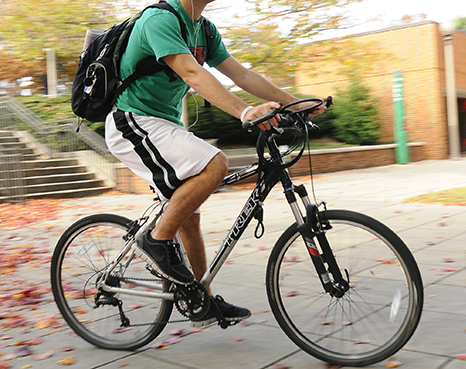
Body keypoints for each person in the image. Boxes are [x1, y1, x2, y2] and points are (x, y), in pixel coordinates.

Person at [105, 0, 326, 327]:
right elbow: (191, 72)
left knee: (187, 214)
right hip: (132, 122)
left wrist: (296, 103)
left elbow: (242, 74)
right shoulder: (159, 19)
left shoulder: (204, 30)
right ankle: (154, 240)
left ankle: (198, 301)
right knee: (215, 163)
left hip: (163, 126)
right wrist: (244, 111)